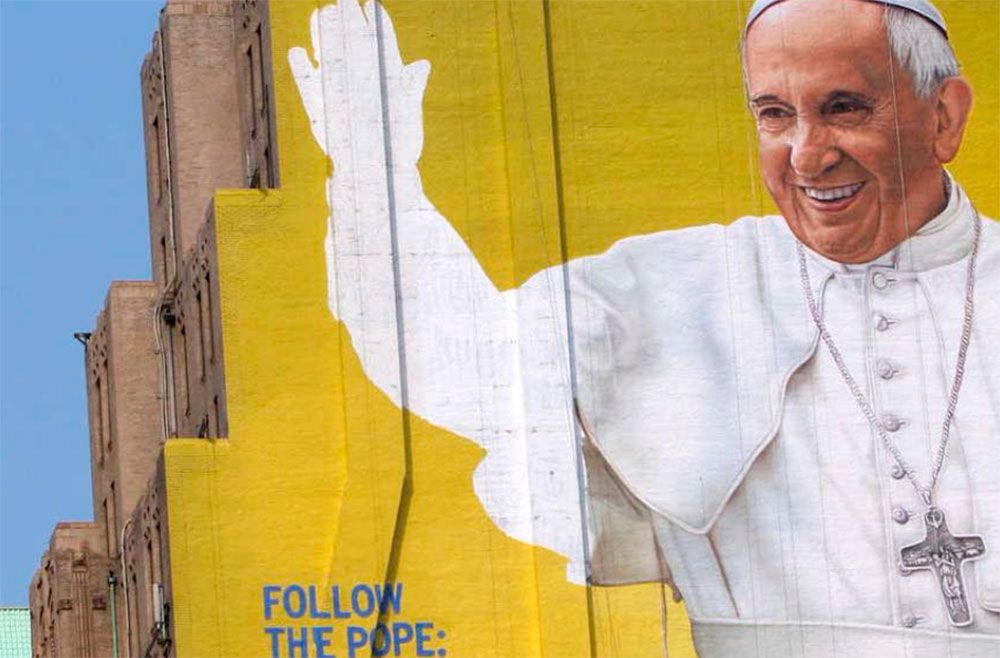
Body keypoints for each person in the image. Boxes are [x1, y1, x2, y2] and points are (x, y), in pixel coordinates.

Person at [289, 0, 1000, 655]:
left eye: (844, 108)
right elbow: (460, 367)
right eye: (775, 115)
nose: (807, 156)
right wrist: (374, 178)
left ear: (944, 117)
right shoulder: (676, 284)